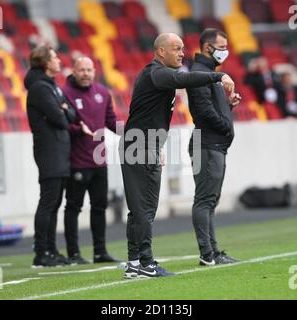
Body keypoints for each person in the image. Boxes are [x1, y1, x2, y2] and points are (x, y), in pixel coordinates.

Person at [119, 32, 235, 278]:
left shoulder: (156, 75)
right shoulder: (157, 73)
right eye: (177, 48)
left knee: (138, 210)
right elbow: (188, 78)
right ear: (161, 52)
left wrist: (157, 144)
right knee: (145, 210)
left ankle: (134, 263)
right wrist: (218, 75)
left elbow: (148, 115)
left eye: (182, 48)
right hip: (140, 145)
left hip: (143, 143)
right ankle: (146, 263)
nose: (182, 53)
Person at [187, 28, 241, 266]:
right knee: (205, 199)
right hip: (206, 142)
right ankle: (207, 253)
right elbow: (203, 112)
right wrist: (226, 126)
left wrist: (227, 107)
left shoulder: (209, 73)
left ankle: (213, 251)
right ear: (207, 47)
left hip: (212, 143)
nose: (225, 52)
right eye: (221, 47)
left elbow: (210, 110)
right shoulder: (199, 73)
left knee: (210, 199)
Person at [62, 57, 120, 264]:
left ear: (94, 72)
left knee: (99, 207)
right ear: (74, 71)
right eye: (82, 70)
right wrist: (78, 130)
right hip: (76, 161)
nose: (86, 73)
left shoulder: (103, 93)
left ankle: (100, 252)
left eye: (89, 70)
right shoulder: (64, 93)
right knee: (74, 207)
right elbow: (60, 124)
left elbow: (111, 121)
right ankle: (73, 253)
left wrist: (131, 132)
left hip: (99, 161)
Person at [24, 45, 76, 267]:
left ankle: (52, 251)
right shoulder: (40, 88)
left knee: (54, 202)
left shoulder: (52, 86)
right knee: (48, 201)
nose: (58, 61)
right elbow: (61, 119)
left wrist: (64, 109)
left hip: (60, 149)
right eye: (54, 57)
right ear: (45, 62)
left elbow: (71, 113)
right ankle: (41, 252)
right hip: (49, 150)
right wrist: (63, 110)